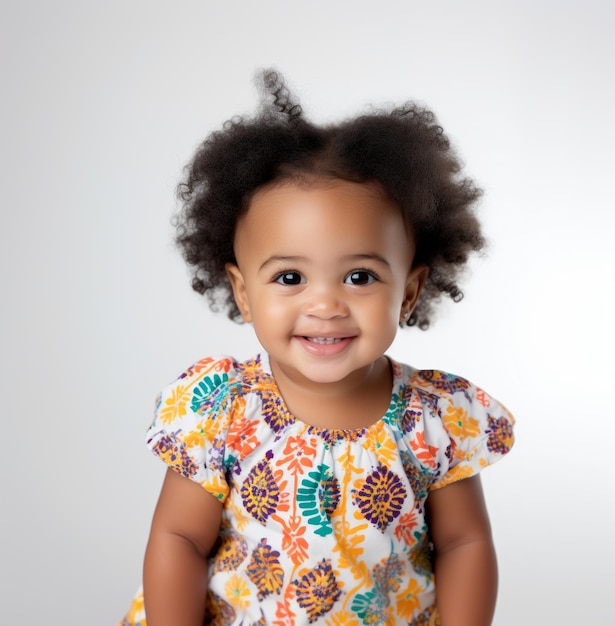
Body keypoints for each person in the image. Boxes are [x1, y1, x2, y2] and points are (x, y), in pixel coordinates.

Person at [120, 70, 514, 626]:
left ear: (410, 290)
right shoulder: (223, 410)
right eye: (289, 278)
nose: (325, 305)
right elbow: (180, 537)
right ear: (243, 292)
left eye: (359, 277)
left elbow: (464, 545)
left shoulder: (435, 420)